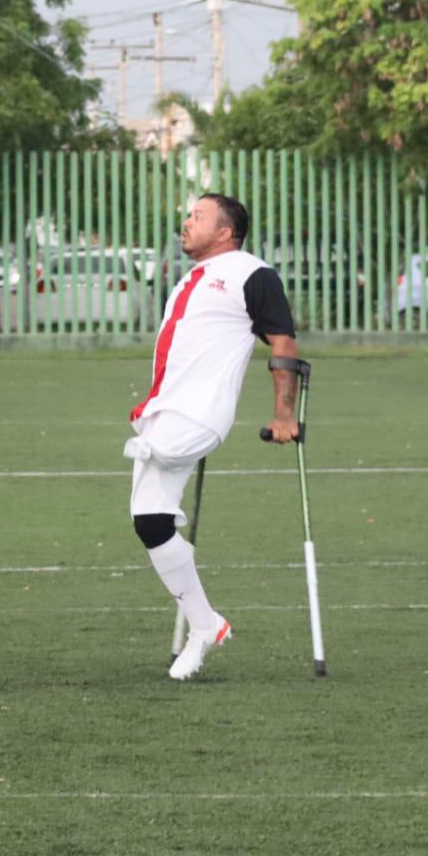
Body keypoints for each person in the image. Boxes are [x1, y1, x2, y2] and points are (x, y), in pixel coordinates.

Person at [127, 193, 300, 680]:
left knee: (160, 450)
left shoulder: (252, 273)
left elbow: (283, 341)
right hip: (163, 410)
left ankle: (148, 448)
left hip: (199, 415)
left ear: (225, 232)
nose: (186, 222)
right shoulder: (192, 277)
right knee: (150, 522)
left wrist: (283, 414)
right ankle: (206, 626)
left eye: (198, 217)